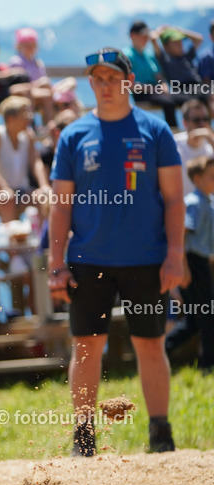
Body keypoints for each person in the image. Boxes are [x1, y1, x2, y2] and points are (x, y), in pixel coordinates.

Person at [49, 48, 184, 457]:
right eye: (98, 79)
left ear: (128, 82)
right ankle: (84, 438)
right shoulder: (74, 135)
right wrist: (56, 265)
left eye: (113, 78)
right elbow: (60, 205)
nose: (106, 85)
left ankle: (160, 434)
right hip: (89, 261)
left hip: (147, 259)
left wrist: (176, 252)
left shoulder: (155, 131)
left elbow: (175, 199)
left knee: (150, 344)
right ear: (91, 84)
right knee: (87, 346)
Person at [165, 156, 214, 373]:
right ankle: (207, 364)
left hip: (201, 262)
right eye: (211, 176)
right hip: (193, 264)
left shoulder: (207, 201)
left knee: (195, 318)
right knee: (207, 313)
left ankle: (163, 349)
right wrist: (183, 267)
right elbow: (183, 234)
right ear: (197, 178)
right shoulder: (194, 202)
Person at [0, 95, 52, 224]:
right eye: (25, 114)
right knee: (6, 199)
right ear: (10, 118)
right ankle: (11, 240)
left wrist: (44, 186)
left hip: (20, 190)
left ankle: (43, 240)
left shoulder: (28, 136)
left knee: (43, 197)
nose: (29, 118)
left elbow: (36, 162)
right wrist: (4, 188)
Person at [124, 20, 189, 128]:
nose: (145, 39)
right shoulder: (127, 55)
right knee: (168, 102)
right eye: (142, 36)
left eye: (146, 36)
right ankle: (173, 131)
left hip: (157, 91)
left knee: (187, 99)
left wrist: (163, 86)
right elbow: (129, 84)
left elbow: (158, 75)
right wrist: (153, 88)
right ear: (132, 36)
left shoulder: (148, 54)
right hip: (141, 93)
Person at [7, 28, 55, 126]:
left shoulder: (38, 63)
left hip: (37, 92)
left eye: (32, 45)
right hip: (24, 92)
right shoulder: (16, 61)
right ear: (20, 46)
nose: (30, 48)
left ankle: (49, 126)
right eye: (27, 45)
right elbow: (18, 85)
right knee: (46, 95)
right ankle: (41, 125)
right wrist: (39, 84)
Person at [173, 99, 214, 195]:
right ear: (184, 122)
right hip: (181, 206)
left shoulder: (211, 144)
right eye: (196, 120)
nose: (202, 124)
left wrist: (210, 138)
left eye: (206, 119)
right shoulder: (174, 144)